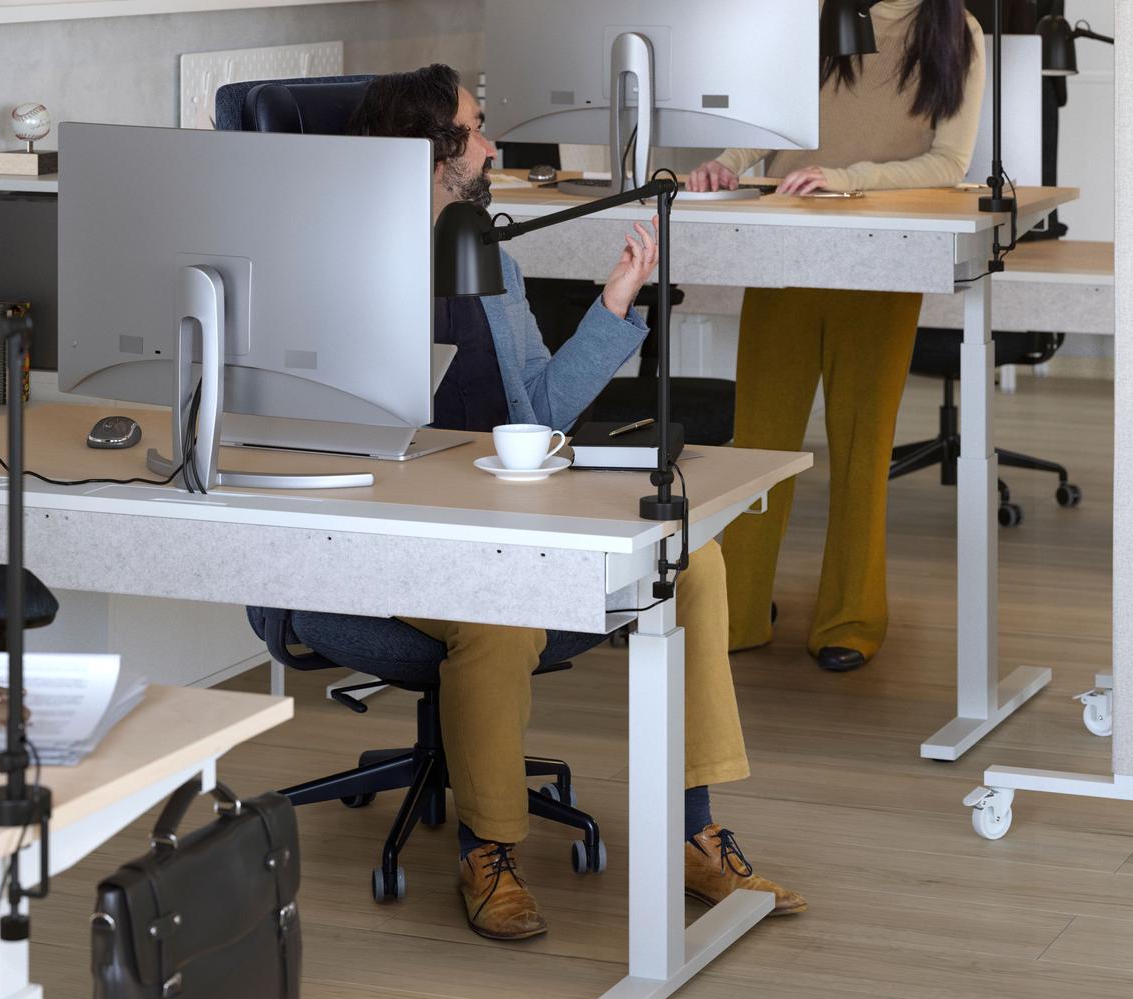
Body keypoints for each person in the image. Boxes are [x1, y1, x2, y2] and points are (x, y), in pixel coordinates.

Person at [337, 64, 806, 941]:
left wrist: (614, 303)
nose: (490, 146)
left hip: (510, 514)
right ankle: (491, 852)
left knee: (689, 563)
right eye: (474, 130)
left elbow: (541, 414)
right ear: (429, 153)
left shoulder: (492, 263)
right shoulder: (347, 264)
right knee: (498, 617)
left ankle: (693, 830)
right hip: (398, 536)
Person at [689, 0, 985, 671]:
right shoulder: (814, 5)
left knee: (863, 445)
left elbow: (947, 163)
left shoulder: (959, 35)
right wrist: (723, 163)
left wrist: (851, 178)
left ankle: (851, 621)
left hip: (879, 257)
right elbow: (762, 116)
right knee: (759, 444)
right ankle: (737, 612)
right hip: (782, 248)